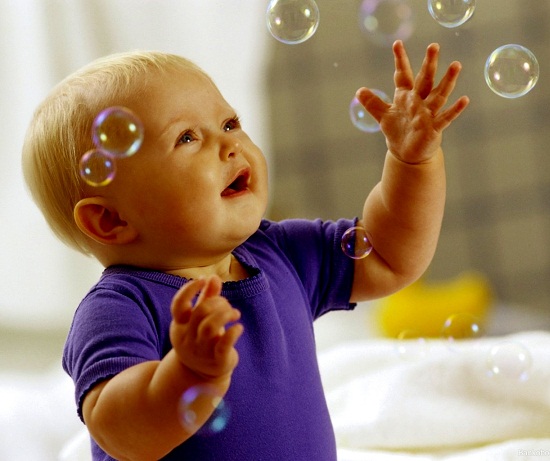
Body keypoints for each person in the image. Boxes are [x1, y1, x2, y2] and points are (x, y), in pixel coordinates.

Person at [22, 40, 468, 461]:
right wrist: (188, 374)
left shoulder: (278, 253)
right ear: (111, 220)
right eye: (187, 138)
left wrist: (412, 164)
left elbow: (388, 256)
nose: (230, 144)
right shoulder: (118, 308)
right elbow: (119, 431)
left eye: (230, 124)